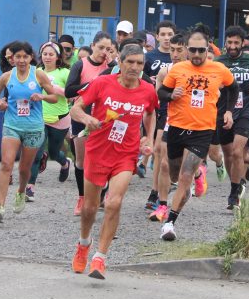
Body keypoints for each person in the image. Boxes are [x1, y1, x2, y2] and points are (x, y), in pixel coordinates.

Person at [70, 44, 157, 279]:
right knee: (90, 207)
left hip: (125, 154)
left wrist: (148, 137)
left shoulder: (148, 90)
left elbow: (150, 112)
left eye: (140, 63)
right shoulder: (102, 83)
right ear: (120, 61)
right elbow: (75, 109)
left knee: (114, 203)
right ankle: (84, 244)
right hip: (98, 151)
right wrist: (87, 118)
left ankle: (100, 258)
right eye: (130, 62)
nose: (135, 67)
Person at [157, 31, 238, 240]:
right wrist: (170, 95)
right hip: (176, 127)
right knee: (174, 173)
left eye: (201, 50)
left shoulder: (218, 69)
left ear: (207, 49)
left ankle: (169, 223)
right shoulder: (178, 69)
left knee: (185, 177)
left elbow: (233, 89)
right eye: (192, 49)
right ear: (186, 49)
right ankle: (194, 180)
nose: (196, 54)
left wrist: (228, 111)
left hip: (202, 131)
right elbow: (161, 93)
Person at [0, 41, 57, 222]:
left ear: (31, 57)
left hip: (33, 128)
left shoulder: (38, 74)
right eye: (17, 57)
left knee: (24, 169)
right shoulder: (6, 76)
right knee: (6, 164)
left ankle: (21, 191)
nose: (21, 60)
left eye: (24, 57)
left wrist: (42, 95)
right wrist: (0, 103)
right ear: (12, 58)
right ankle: (0, 206)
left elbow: (54, 97)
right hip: (12, 125)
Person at [215, 26, 249, 209]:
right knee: (228, 155)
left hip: (245, 111)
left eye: (236, 43)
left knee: (238, 152)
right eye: (229, 42)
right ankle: (235, 185)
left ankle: (234, 193)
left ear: (242, 43)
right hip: (223, 112)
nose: (233, 46)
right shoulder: (218, 61)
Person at [65, 31, 113, 215]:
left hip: (104, 119)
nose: (104, 52)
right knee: (82, 160)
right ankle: (82, 198)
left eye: (108, 49)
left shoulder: (113, 67)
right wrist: (93, 84)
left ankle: (102, 194)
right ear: (92, 46)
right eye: (101, 48)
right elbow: (69, 91)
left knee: (105, 160)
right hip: (82, 116)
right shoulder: (80, 65)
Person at [147, 33, 188, 220]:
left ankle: (195, 177)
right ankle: (162, 205)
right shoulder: (165, 71)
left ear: (187, 50)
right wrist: (171, 94)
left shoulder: (198, 71)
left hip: (194, 124)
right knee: (163, 163)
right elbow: (158, 96)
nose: (175, 54)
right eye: (172, 50)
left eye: (179, 50)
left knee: (182, 168)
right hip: (171, 120)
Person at [26, 41, 73, 201]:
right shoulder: (37, 71)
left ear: (58, 56)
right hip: (39, 118)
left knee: (53, 152)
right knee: (36, 152)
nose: (47, 57)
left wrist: (57, 90)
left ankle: (64, 162)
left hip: (60, 118)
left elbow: (73, 93)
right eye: (45, 54)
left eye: (51, 54)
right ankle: (30, 187)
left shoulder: (64, 73)